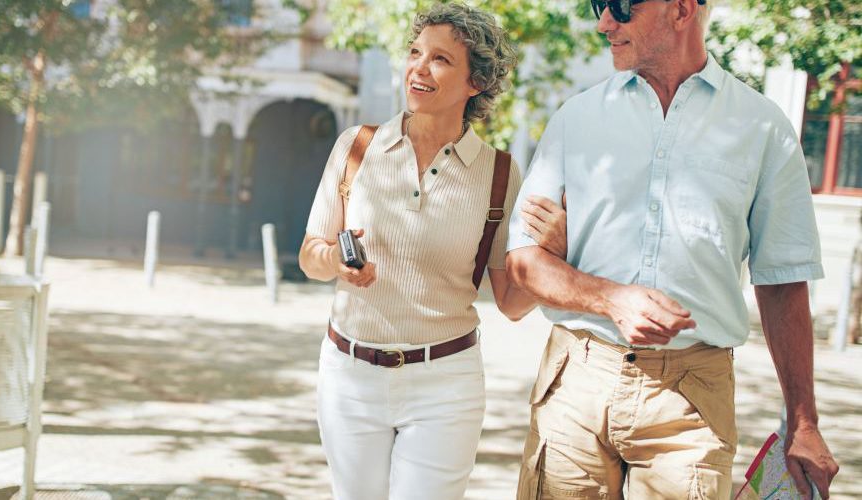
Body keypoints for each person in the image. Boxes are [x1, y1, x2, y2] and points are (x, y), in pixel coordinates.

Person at [506, 0, 840, 498]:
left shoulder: (764, 129)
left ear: (682, 10)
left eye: (620, 7)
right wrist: (611, 298)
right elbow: (523, 263)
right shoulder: (576, 118)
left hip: (691, 402)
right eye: (600, 6)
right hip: (576, 381)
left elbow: (783, 282)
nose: (604, 23)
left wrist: (804, 422)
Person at [298, 3, 566, 499]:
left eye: (441, 59)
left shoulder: (500, 175)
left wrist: (554, 252)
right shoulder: (356, 147)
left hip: (445, 384)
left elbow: (510, 302)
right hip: (350, 376)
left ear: (476, 83)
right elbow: (310, 252)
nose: (419, 68)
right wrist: (336, 262)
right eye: (415, 52)